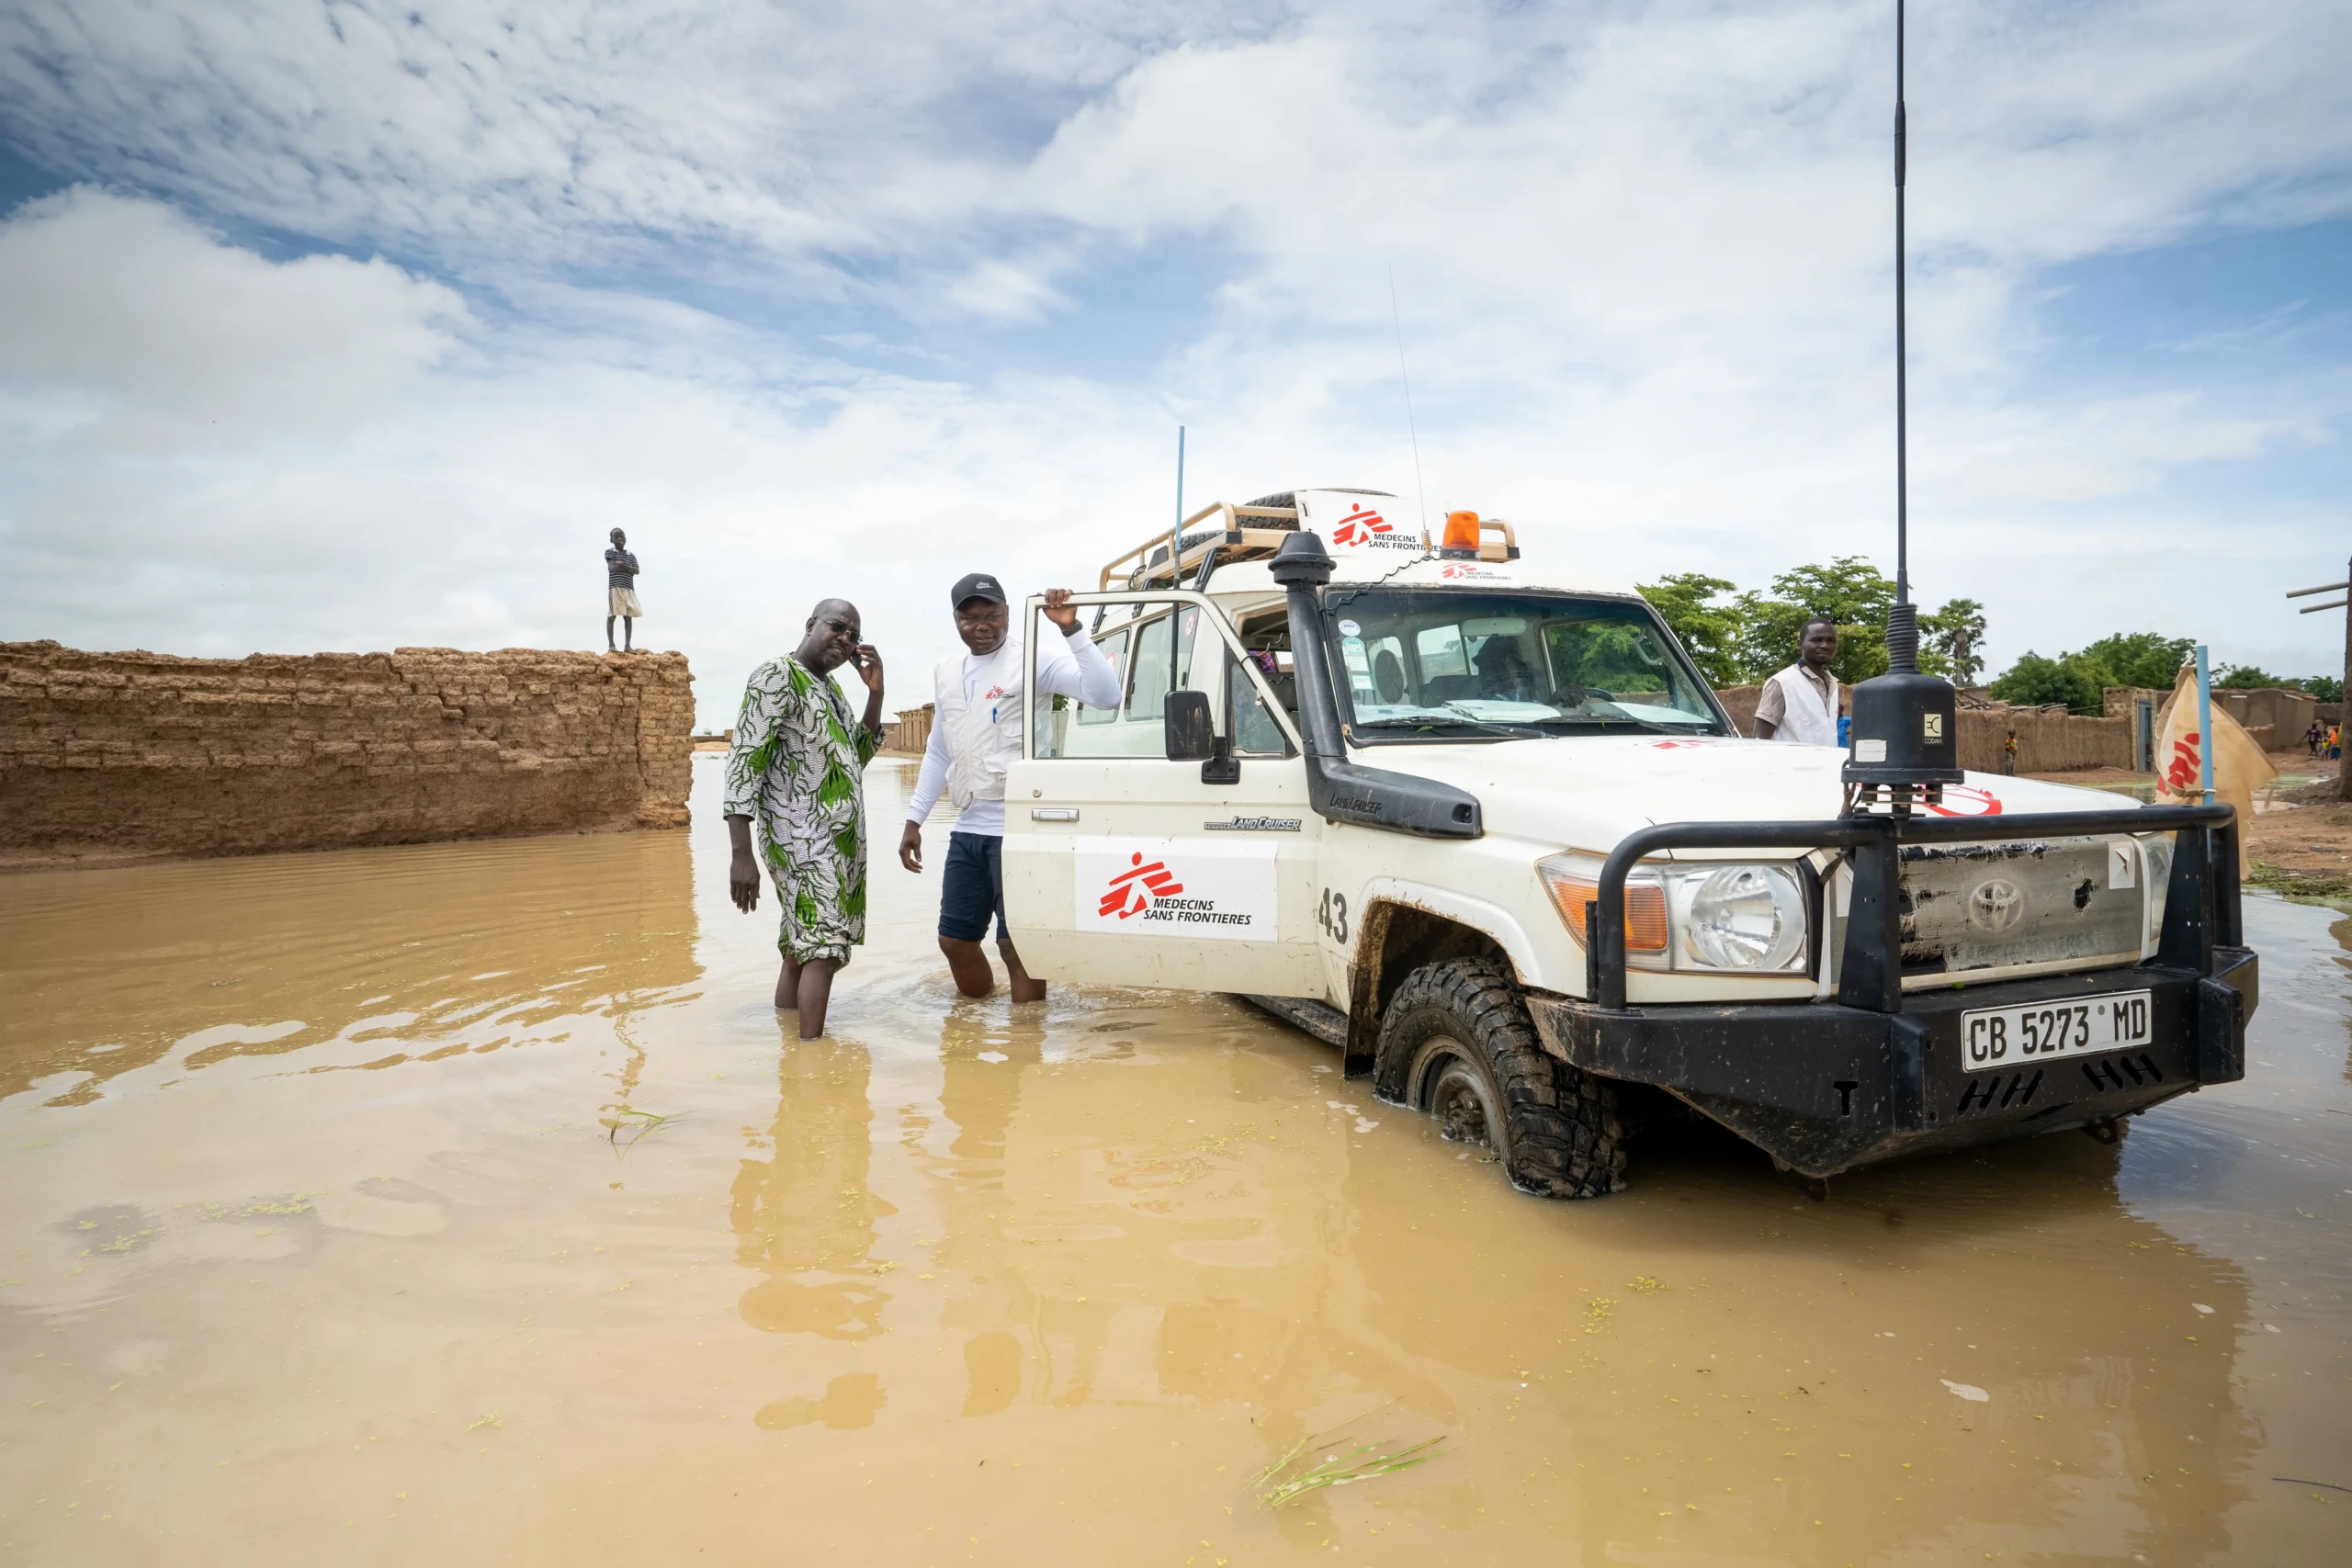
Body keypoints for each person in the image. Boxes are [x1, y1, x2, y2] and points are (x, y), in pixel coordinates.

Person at [899, 574, 1121, 1002]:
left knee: (1016, 947)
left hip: (1021, 828)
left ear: (1006, 613)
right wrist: (914, 818)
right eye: (971, 618)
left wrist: (1071, 629)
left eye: (993, 615)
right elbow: (938, 752)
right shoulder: (947, 672)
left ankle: (1023, 1047)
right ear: (956, 621)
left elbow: (1106, 696)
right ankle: (976, 1024)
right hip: (968, 829)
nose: (984, 625)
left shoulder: (1035, 660)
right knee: (955, 942)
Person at [723, 599, 886, 1039]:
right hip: (800, 840)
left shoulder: (830, 690)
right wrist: (742, 854)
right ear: (811, 624)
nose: (845, 639)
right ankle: (814, 1064)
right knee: (825, 948)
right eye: (837, 627)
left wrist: (876, 695)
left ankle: (789, 1045)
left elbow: (854, 758)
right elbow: (743, 763)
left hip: (838, 846)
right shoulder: (777, 677)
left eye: (853, 635)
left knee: (801, 946)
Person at [1754, 615, 1840, 744]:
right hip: (1791, 764)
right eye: (1817, 640)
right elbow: (1760, 740)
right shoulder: (1782, 683)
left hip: (1828, 763)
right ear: (1800, 645)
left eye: (1831, 640)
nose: (1825, 645)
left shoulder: (1833, 685)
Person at [605, 528, 642, 653]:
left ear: (625, 539)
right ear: (612, 540)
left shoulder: (631, 556)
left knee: (628, 616)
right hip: (615, 586)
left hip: (629, 588)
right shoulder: (610, 552)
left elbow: (636, 571)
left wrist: (621, 564)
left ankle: (627, 646)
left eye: (622, 537)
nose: (620, 539)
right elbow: (612, 568)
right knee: (612, 615)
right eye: (617, 537)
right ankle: (611, 645)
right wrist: (628, 570)